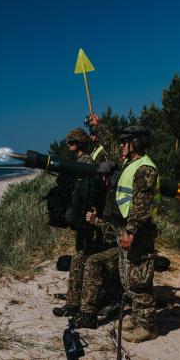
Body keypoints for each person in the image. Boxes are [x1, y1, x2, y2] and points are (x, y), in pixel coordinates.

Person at [78, 115, 160, 342]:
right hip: (126, 229)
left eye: (126, 143)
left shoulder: (145, 169)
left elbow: (142, 205)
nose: (121, 147)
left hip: (139, 233)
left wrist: (131, 230)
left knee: (139, 279)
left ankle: (148, 326)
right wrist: (99, 126)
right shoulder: (130, 164)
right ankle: (137, 317)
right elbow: (113, 149)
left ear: (135, 144)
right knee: (128, 278)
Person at [52, 127, 106, 318]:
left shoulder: (86, 163)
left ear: (80, 143)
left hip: (89, 222)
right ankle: (75, 302)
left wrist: (88, 218)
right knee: (79, 260)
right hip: (84, 221)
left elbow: (89, 194)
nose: (69, 145)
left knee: (80, 261)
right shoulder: (81, 163)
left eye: (72, 142)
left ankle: (76, 305)